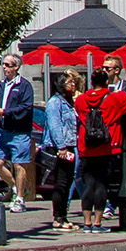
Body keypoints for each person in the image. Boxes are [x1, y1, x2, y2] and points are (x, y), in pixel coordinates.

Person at [72, 64, 122, 233]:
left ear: (91, 82)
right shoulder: (114, 99)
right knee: (102, 185)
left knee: (88, 185)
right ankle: (98, 223)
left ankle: (86, 223)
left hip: (86, 148)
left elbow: (78, 113)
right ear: (106, 82)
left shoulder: (81, 100)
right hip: (106, 148)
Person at [0, 53, 37, 213]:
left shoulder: (24, 86)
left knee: (19, 164)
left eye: (8, 65)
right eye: (3, 64)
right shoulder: (1, 85)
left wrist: (6, 112)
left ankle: (20, 199)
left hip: (20, 132)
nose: (4, 67)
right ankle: (17, 188)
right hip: (2, 131)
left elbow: (26, 107)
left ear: (16, 67)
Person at [101, 58, 126, 230]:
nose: (104, 70)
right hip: (107, 138)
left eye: (107, 68)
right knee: (110, 173)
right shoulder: (101, 88)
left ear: (117, 70)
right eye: (102, 67)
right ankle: (110, 205)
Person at [42, 71, 83, 227]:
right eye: (69, 83)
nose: (73, 85)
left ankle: (63, 216)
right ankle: (58, 217)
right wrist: (62, 147)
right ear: (60, 85)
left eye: (73, 83)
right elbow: (55, 126)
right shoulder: (55, 103)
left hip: (70, 145)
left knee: (67, 180)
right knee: (61, 182)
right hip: (60, 147)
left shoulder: (69, 102)